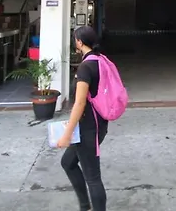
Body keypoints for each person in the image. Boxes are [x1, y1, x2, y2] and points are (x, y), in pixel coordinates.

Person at [58, 25, 109, 211]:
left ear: (79, 42)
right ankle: (85, 206)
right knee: (68, 163)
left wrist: (67, 134)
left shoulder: (85, 67)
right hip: (97, 123)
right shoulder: (100, 60)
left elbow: (80, 103)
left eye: (75, 40)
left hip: (88, 128)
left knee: (93, 178)